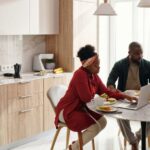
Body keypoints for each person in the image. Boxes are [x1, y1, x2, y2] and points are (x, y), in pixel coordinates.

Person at [55, 44, 136, 150]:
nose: (99, 67)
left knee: (102, 121)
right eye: (96, 65)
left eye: (99, 64)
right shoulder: (79, 74)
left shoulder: (93, 76)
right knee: (97, 124)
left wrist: (124, 96)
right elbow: (87, 98)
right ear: (86, 64)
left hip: (80, 109)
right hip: (68, 110)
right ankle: (74, 148)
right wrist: (100, 98)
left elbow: (106, 93)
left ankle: (74, 146)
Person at [107, 41, 150, 150]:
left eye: (141, 53)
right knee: (119, 115)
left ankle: (139, 136)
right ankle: (133, 141)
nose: (140, 56)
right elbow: (110, 81)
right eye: (137, 53)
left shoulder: (147, 64)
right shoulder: (119, 64)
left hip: (142, 99)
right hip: (125, 98)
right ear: (129, 53)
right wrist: (112, 87)